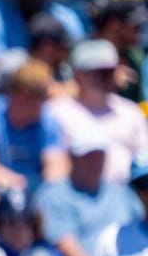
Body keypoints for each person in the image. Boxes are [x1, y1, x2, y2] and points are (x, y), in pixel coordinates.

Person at [33, 130, 141, 256]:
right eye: (87, 157)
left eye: (99, 156)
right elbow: (67, 247)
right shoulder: (54, 196)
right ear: (71, 157)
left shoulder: (123, 193)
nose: (94, 163)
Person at [46, 39, 148, 185]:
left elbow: (144, 159)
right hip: (77, 196)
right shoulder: (56, 112)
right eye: (97, 72)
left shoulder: (132, 112)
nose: (104, 78)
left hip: (128, 195)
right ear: (78, 75)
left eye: (109, 71)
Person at [0, 57, 69, 191]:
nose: (47, 103)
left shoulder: (48, 121)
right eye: (42, 98)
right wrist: (19, 186)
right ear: (22, 95)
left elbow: (56, 168)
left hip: (37, 197)